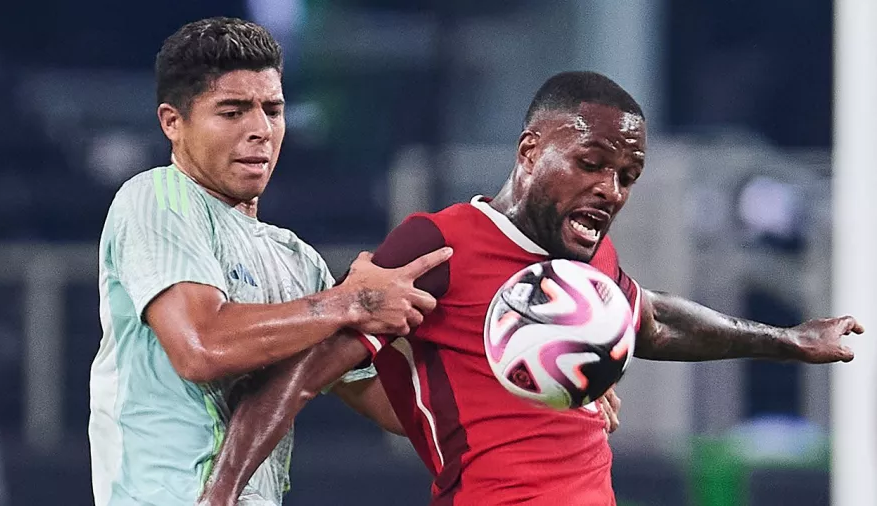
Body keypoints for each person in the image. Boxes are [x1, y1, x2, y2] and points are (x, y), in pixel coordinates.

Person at [198, 71, 864, 506]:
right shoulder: (436, 244)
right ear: (528, 151)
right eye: (591, 164)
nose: (610, 189)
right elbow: (311, 370)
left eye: (627, 175)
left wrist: (790, 340)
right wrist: (223, 490)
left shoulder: (590, 257)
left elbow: (653, 321)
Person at [87, 17, 456, 506]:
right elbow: (201, 346)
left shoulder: (298, 261)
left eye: (273, 110)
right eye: (233, 111)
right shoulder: (156, 197)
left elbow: (394, 404)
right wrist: (354, 301)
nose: (260, 130)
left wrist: (535, 380)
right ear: (172, 122)